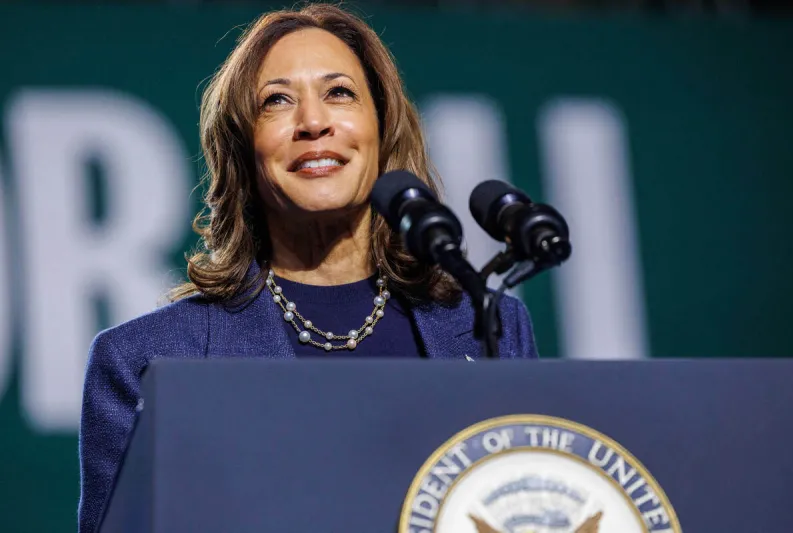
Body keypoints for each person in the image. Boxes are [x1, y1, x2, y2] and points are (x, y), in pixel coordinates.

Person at [78, 4, 538, 532]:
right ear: (244, 150)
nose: (314, 122)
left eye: (339, 92)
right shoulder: (143, 362)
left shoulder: (488, 330)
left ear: (381, 127)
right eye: (276, 102)